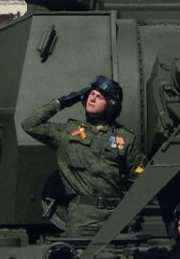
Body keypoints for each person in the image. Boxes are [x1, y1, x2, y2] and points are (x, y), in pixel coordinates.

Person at [21, 76, 142, 234]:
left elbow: (139, 179)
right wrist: (63, 102)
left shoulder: (125, 138)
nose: (93, 98)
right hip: (82, 218)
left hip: (116, 218)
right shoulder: (68, 132)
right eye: (92, 93)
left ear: (112, 105)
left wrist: (132, 215)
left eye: (100, 96)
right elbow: (30, 124)